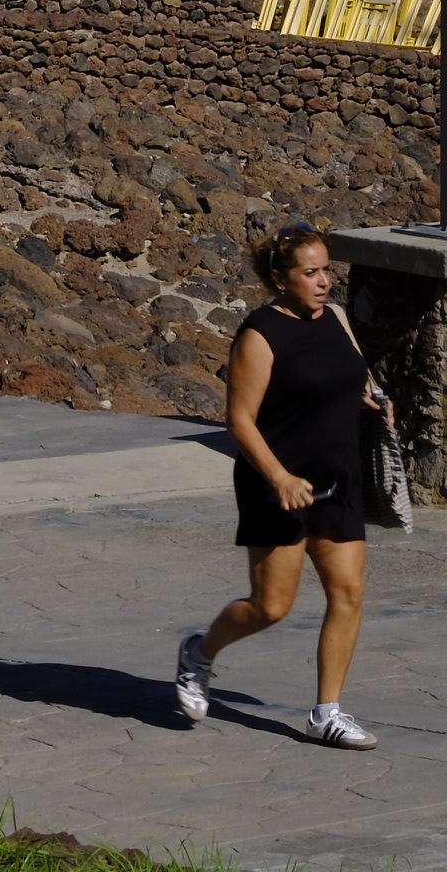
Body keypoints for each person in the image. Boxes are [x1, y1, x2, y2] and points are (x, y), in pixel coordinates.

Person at [174, 225, 382, 751]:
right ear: (280, 279)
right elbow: (240, 420)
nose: (323, 282)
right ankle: (198, 654)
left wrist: (372, 395)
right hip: (278, 484)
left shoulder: (335, 319)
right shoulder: (260, 334)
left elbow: (352, 372)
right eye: (310, 273)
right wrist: (280, 477)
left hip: (338, 477)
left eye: (327, 270)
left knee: (349, 592)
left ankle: (326, 712)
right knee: (271, 607)